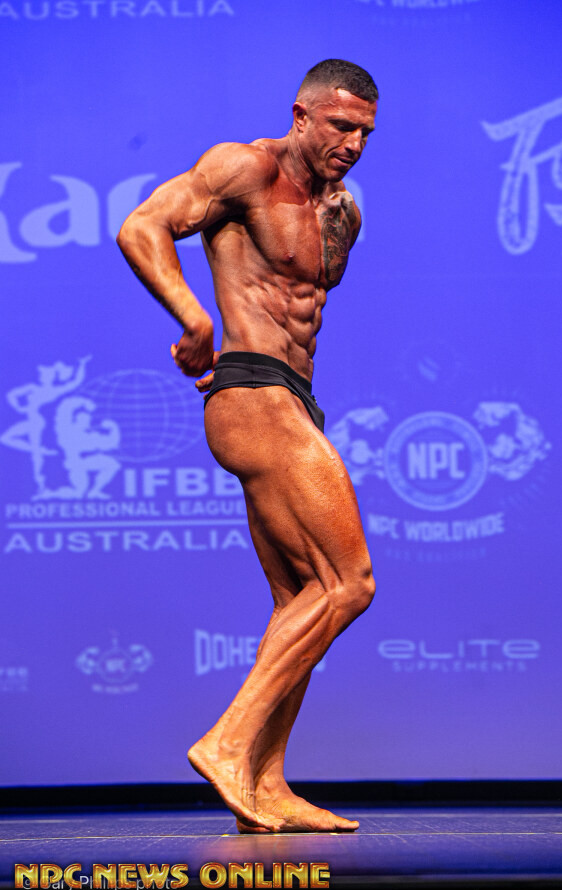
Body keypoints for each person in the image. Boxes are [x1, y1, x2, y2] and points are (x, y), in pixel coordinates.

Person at [117, 59, 378, 834]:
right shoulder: (245, 169)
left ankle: (265, 783)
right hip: (252, 391)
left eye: (365, 133)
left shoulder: (343, 211)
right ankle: (228, 743)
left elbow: (303, 302)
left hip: (295, 398)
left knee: (301, 599)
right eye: (341, 126)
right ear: (302, 115)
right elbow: (141, 226)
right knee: (349, 583)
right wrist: (193, 318)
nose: (353, 144)